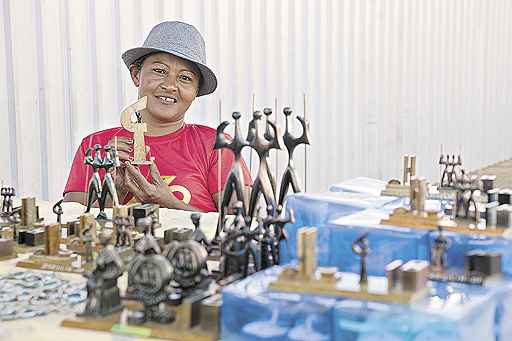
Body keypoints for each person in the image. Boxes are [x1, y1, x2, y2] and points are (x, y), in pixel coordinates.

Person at [63, 21, 251, 212]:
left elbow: (241, 228)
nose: (170, 85)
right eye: (160, 71)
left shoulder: (218, 146)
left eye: (185, 78)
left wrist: (168, 202)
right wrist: (114, 194)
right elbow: (69, 229)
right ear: (136, 75)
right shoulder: (95, 146)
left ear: (196, 92)